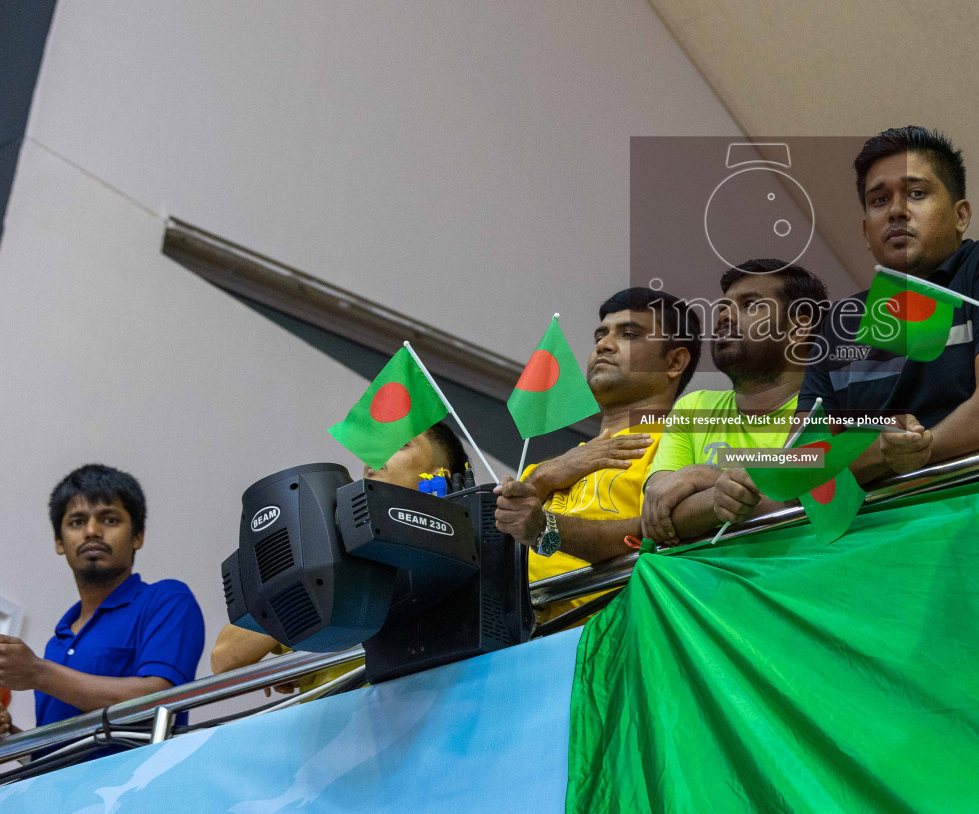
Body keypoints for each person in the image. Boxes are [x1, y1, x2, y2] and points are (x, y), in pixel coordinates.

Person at [800, 126, 979, 479]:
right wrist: (883, 453)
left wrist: (906, 452)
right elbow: (803, 465)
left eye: (916, 193)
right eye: (879, 201)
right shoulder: (839, 322)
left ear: (961, 216)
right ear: (866, 231)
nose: (897, 211)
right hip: (870, 528)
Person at [209, 421, 472, 687]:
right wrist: (298, 600)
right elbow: (223, 659)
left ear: (441, 476)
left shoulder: (468, 547)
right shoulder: (332, 538)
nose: (375, 457)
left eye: (401, 445)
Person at [493, 288, 702, 614]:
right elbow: (495, 550)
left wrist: (545, 527)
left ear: (674, 361)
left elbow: (662, 537)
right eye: (599, 336)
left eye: (629, 334)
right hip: (515, 648)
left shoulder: (683, 447)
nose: (603, 345)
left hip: (610, 644)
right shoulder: (547, 469)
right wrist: (544, 476)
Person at [640, 259, 828, 543]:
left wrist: (704, 477)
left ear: (798, 328)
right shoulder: (694, 408)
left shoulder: (830, 412)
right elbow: (660, 516)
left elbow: (807, 509)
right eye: (723, 309)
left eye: (750, 305)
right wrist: (721, 490)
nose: (724, 317)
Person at [0, 466, 203, 729]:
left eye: (110, 520)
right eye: (77, 522)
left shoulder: (166, 600)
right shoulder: (56, 644)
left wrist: (38, 673)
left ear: (137, 536)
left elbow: (161, 701)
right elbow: (52, 756)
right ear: (59, 542)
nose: (92, 531)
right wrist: (10, 735)